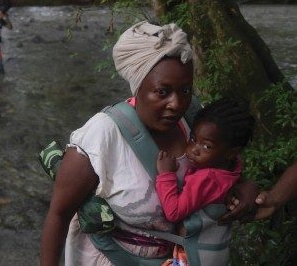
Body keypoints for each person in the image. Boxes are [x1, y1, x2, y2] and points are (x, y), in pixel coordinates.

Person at [39, 21, 259, 266]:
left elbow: (221, 166)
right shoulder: (102, 134)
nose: (176, 103)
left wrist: (246, 186)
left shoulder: (194, 121)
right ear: (138, 87)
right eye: (162, 92)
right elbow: (58, 216)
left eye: (185, 90)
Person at [156, 98, 255, 265]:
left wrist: (166, 174)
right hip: (214, 251)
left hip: (193, 257)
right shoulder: (232, 166)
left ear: (231, 152)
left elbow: (173, 212)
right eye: (193, 139)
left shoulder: (206, 178)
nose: (194, 150)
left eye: (207, 146)